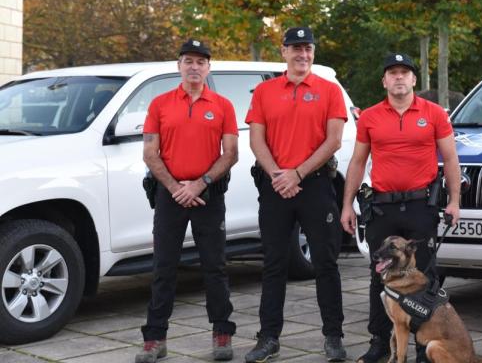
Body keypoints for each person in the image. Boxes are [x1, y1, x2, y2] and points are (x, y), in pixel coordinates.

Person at [341, 53, 462, 363]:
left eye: (404, 73)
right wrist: (347, 205)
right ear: (384, 80)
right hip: (382, 207)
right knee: (378, 275)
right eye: (392, 73)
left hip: (422, 205)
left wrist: (454, 201)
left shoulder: (434, 113)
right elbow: (357, 161)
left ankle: (423, 347)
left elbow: (450, 159)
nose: (398, 77)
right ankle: (379, 343)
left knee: (426, 277)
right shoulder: (369, 116)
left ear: (413, 80)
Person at [244, 27, 348, 363]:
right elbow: (256, 139)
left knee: (326, 263)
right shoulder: (264, 91)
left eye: (308, 49)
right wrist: (277, 173)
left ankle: (333, 337)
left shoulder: (329, 90)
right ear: (284, 51)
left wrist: (298, 173)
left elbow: (333, 140)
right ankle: (269, 338)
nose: (302, 54)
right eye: (296, 48)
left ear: (313, 53)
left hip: (315, 185)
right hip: (275, 187)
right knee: (273, 265)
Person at [136, 39, 238, 363]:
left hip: (209, 195)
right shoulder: (160, 104)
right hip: (169, 196)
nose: (194, 67)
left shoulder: (223, 105)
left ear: (209, 67)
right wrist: (176, 187)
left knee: (215, 267)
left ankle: (222, 334)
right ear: (178, 65)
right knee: (163, 268)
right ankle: (155, 339)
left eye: (200, 62)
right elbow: (150, 153)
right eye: (188, 61)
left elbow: (231, 153)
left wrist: (200, 184)